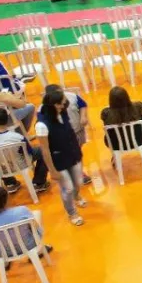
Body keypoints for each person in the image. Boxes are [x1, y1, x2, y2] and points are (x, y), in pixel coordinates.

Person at [35, 89, 87, 226]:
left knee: (78, 181)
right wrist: (52, 170)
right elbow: (45, 149)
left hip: (73, 153)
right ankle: (72, 212)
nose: (65, 105)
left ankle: (76, 196)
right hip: (58, 160)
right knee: (68, 188)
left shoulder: (63, 112)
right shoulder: (42, 125)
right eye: (62, 103)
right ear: (54, 105)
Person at [0, 108, 50, 193]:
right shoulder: (17, 137)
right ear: (7, 121)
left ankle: (10, 183)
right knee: (44, 151)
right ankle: (39, 182)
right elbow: (29, 152)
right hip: (19, 165)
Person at [0, 185, 48, 259]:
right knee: (36, 214)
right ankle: (39, 251)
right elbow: (35, 229)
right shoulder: (22, 211)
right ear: (7, 200)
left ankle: (4, 262)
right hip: (29, 246)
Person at [99, 85, 142, 157]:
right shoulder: (136, 107)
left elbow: (105, 120)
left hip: (116, 144)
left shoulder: (105, 112)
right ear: (126, 97)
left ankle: (115, 156)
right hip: (139, 140)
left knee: (108, 133)